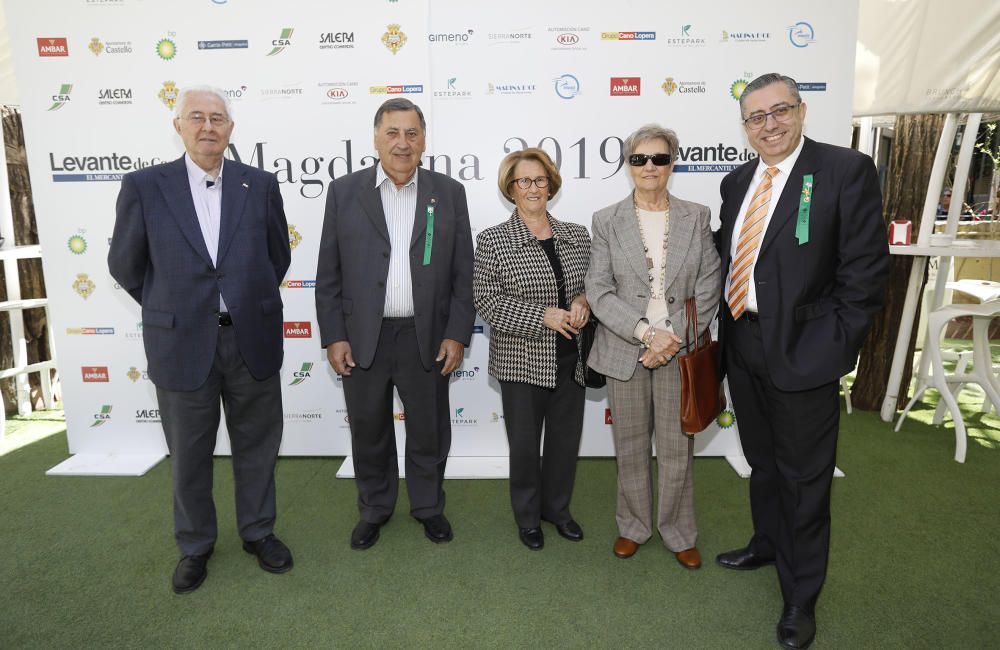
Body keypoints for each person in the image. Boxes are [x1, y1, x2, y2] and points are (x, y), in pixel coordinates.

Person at [715, 73, 889, 649]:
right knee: (762, 463)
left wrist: (830, 349)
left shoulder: (844, 171)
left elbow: (864, 274)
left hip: (805, 355)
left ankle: (800, 596)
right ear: (744, 126)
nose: (769, 124)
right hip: (744, 344)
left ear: (802, 110)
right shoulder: (738, 181)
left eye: (779, 110)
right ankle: (767, 544)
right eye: (756, 117)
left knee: (805, 481)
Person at [108, 86, 293, 594]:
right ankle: (195, 546)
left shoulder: (260, 184)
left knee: (258, 446)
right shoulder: (146, 186)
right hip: (181, 343)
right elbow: (126, 264)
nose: (208, 126)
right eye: (197, 117)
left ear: (231, 128)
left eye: (218, 118)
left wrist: (239, 297)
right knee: (189, 454)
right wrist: (175, 306)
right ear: (179, 126)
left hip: (249, 338)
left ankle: (258, 532)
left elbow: (278, 257)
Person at [315, 98, 474, 550]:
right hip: (364, 336)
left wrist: (457, 333)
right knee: (369, 429)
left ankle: (428, 507)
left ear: (424, 140)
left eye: (411, 133)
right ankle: (375, 508)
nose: (402, 143)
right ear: (375, 138)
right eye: (392, 133)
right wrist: (335, 336)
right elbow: (329, 273)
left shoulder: (449, 192)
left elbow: (465, 273)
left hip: (427, 337)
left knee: (428, 429)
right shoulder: (344, 192)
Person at [585, 124, 721, 569]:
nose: (649, 167)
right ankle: (634, 526)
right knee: (629, 446)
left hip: (679, 351)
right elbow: (599, 290)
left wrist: (670, 339)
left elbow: (708, 286)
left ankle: (679, 532)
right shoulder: (607, 220)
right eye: (640, 159)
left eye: (659, 159)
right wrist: (646, 333)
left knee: (677, 449)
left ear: (672, 163)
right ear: (628, 165)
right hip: (626, 348)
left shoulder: (696, 216)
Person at [473, 148, 592, 550]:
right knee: (525, 447)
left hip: (571, 359)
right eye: (524, 181)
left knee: (564, 442)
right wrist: (544, 316)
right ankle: (528, 518)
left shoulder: (577, 235)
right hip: (521, 362)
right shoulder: (493, 241)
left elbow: (592, 285)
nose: (533, 188)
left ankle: (557, 510)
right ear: (510, 188)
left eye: (540, 180)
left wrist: (584, 302)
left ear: (551, 184)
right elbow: (488, 301)